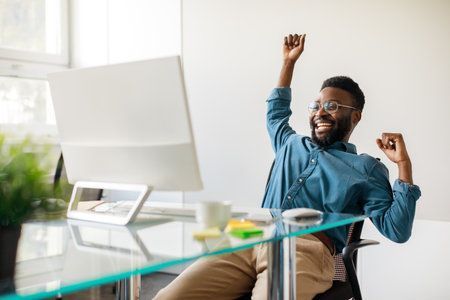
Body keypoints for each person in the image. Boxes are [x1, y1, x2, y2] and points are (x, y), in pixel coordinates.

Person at [154, 33, 421, 300]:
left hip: (304, 250)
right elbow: (276, 112)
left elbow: (397, 230)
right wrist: (288, 63)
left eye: (332, 106)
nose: (320, 112)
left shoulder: (365, 168)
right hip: (248, 239)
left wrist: (403, 166)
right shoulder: (290, 143)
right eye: (316, 105)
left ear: (355, 116)